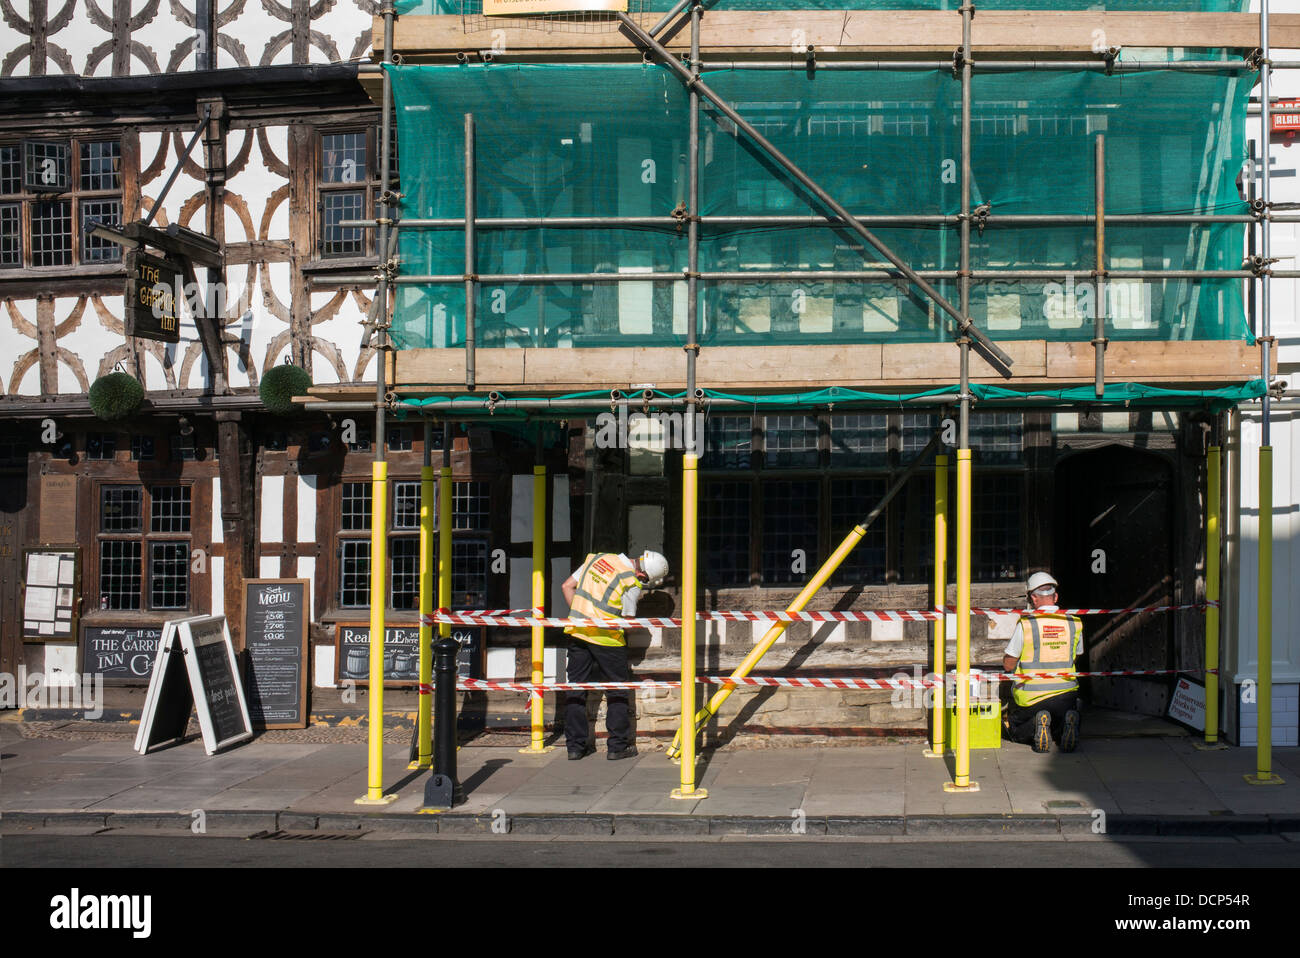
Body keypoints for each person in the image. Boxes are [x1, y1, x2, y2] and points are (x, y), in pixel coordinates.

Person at [561, 549, 669, 761]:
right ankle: (617, 746)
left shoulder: (596, 558)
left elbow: (567, 586)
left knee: (576, 689)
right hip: (608, 641)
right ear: (643, 574)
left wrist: (581, 617)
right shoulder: (630, 581)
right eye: (645, 580)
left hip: (578, 634)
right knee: (617, 690)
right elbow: (627, 622)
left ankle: (575, 747)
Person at [1002, 571, 1083, 753]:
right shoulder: (1074, 621)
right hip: (1066, 696)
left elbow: (1008, 664)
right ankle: (1064, 726)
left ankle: (1037, 724)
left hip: (1032, 699)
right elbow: (1075, 656)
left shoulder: (1027, 624)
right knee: (1062, 719)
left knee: (1012, 728)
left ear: (1033, 598)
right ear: (1056, 596)